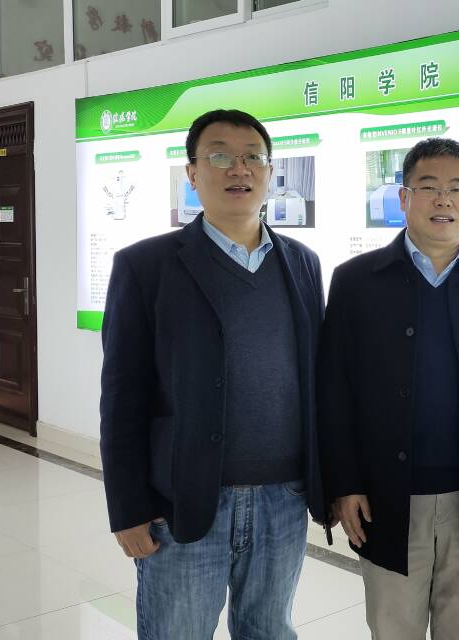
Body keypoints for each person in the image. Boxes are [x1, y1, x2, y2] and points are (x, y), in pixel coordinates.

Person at [99, 108, 328, 639]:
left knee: (269, 630)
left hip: (284, 499)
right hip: (183, 496)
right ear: (193, 173)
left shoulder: (303, 263)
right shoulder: (146, 266)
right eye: (220, 156)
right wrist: (127, 507)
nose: (239, 169)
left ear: (270, 172)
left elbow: (317, 384)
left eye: (253, 157)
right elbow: (123, 397)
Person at [319, 137, 459, 640]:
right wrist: (344, 484)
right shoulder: (356, 282)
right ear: (404, 198)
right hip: (386, 497)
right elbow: (334, 392)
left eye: (457, 189)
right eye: (428, 187)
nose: (444, 199)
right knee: (393, 628)